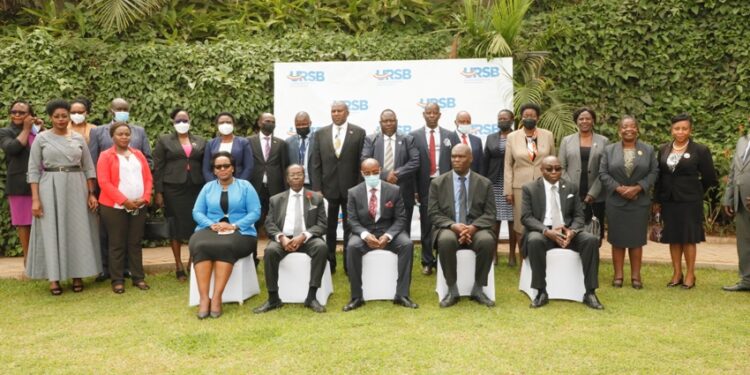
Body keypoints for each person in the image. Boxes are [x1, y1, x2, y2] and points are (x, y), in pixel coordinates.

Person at [25, 99, 101, 295]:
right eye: (56, 116)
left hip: (77, 186)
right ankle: (54, 279)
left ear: (69, 117)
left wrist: (91, 193)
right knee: (52, 231)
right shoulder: (42, 139)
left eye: (64, 116)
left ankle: (78, 275)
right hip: (49, 187)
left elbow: (88, 167)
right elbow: (33, 170)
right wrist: (35, 199)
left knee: (78, 230)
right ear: (50, 118)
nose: (60, 119)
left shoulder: (78, 138)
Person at [521, 156, 603, 309]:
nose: (554, 172)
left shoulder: (571, 187)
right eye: (549, 169)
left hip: (567, 231)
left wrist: (572, 231)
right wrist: (546, 231)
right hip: (543, 231)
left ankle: (590, 292)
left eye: (558, 169)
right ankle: (541, 291)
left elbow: (579, 216)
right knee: (534, 240)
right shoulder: (530, 188)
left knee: (590, 240)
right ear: (541, 170)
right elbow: (526, 217)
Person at [189, 152, 261, 319]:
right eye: (218, 166)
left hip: (241, 231)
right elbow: (197, 212)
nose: (222, 169)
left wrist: (234, 225)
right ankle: (203, 299)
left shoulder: (245, 186)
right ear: (214, 170)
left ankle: (216, 298)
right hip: (209, 229)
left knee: (225, 245)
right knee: (200, 246)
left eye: (226, 165)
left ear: (233, 168)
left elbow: (255, 212)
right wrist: (210, 224)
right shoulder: (207, 188)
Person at [88, 97, 152, 282]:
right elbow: (105, 182)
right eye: (120, 134)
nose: (124, 137)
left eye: (127, 134)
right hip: (113, 206)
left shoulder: (138, 154)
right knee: (116, 244)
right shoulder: (105, 156)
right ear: (113, 137)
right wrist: (125, 201)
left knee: (135, 242)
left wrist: (145, 197)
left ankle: (138, 277)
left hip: (139, 205)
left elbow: (148, 177)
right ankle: (117, 280)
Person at [653, 114, 718, 289]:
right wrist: (657, 200)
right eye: (677, 128)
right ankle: (676, 273)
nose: (680, 132)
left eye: (684, 128)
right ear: (671, 130)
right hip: (669, 201)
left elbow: (710, 178)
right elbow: (660, 177)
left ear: (690, 130)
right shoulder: (664, 149)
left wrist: (695, 191)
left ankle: (690, 274)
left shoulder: (700, 150)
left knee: (689, 238)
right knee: (673, 237)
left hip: (690, 201)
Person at [342, 158, 417, 311]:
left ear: (380, 170)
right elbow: (352, 221)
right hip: (364, 231)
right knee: (352, 246)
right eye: (368, 173)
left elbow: (401, 218)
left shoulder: (394, 190)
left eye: (375, 172)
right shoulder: (353, 192)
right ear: (362, 173)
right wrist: (364, 235)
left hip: (388, 231)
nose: (372, 176)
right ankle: (356, 297)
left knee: (407, 244)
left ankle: (402, 294)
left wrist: (388, 236)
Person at [253, 164, 328, 314]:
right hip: (284, 239)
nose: (296, 177)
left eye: (299, 174)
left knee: (321, 247)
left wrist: (304, 236)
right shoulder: (276, 199)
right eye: (292, 175)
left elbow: (322, 224)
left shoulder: (316, 198)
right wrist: (281, 238)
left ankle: (311, 297)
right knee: (270, 251)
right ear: (287, 179)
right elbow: (269, 223)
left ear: (304, 176)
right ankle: (273, 298)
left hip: (307, 239)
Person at [429, 144, 496, 308]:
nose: (456, 160)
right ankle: (452, 290)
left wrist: (472, 228)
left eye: (461, 156)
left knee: (487, 241)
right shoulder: (438, 183)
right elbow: (433, 213)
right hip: (449, 229)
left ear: (471, 158)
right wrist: (453, 226)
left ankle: (478, 289)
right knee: (445, 240)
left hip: (476, 229)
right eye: (453, 156)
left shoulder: (484, 183)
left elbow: (490, 214)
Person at [599, 115, 658, 289]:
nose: (628, 129)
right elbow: (603, 173)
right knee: (617, 239)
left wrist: (638, 188)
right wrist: (619, 188)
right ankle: (618, 275)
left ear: (637, 130)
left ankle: (635, 276)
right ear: (619, 131)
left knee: (636, 239)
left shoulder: (648, 149)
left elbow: (654, 172)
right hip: (616, 202)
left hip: (639, 202)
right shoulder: (609, 150)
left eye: (632, 126)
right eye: (625, 127)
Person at [309, 101, 366, 274]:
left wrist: (358, 188)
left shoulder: (358, 132)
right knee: (329, 228)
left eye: (340, 111)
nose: (336, 114)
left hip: (351, 190)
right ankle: (330, 263)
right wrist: (317, 188)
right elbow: (315, 163)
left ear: (347, 112)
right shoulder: (320, 133)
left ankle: (349, 264)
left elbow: (361, 163)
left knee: (351, 227)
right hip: (328, 190)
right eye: (333, 111)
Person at [153, 108, 206, 281]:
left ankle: (192, 261)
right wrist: (158, 192)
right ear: (172, 122)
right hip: (173, 189)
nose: (182, 123)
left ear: (190, 121)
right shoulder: (164, 140)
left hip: (196, 188)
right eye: (178, 120)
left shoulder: (201, 141)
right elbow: (158, 167)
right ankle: (178, 265)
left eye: (185, 120)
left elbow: (205, 165)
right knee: (175, 227)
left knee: (195, 225)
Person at [410, 103, 453, 275]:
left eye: (435, 113)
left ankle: (443, 257)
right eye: (429, 113)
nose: (432, 115)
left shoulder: (450, 135)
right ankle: (427, 261)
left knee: (447, 221)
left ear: (440, 115)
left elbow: (455, 161)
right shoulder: (414, 136)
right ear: (424, 115)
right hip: (424, 184)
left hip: (445, 184)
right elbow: (412, 166)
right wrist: (414, 189)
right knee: (427, 224)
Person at [504, 103, 556, 245]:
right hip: (520, 188)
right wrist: (508, 190)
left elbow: (553, 163)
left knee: (543, 220)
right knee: (521, 225)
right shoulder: (512, 137)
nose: (529, 118)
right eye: (526, 116)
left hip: (543, 185)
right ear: (521, 117)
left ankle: (540, 255)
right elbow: (508, 165)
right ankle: (523, 262)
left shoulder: (548, 135)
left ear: (537, 118)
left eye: (532, 116)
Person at [360, 109, 419, 232]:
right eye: (385, 121)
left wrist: (396, 174)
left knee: (403, 230)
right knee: (381, 227)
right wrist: (385, 175)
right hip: (377, 190)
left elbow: (415, 161)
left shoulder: (408, 139)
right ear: (380, 123)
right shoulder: (371, 140)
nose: (388, 123)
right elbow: (364, 161)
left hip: (403, 191)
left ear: (396, 122)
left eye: (391, 120)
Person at [0, 100, 42, 262]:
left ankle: (42, 260)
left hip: (41, 182)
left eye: (21, 112)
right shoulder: (5, 132)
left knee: (42, 220)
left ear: (30, 115)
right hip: (19, 184)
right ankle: (28, 260)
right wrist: (25, 129)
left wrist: (38, 129)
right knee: (23, 223)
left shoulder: (36, 132)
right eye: (14, 112)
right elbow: (12, 148)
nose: (17, 115)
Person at [559, 107, 609, 241]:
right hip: (571, 193)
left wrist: (592, 193)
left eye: (588, 118)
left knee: (594, 232)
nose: (584, 121)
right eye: (581, 118)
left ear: (593, 121)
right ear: (576, 121)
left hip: (596, 196)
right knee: (570, 230)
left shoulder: (604, 141)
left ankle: (591, 260)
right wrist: (571, 188)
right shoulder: (566, 141)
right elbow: (561, 167)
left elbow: (604, 170)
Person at [482, 109, 518, 266]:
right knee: (494, 221)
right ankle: (494, 254)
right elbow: (485, 160)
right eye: (499, 118)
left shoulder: (518, 136)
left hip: (513, 182)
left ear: (512, 120)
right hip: (495, 182)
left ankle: (512, 255)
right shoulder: (491, 138)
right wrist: (484, 182)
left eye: (505, 118)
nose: (502, 120)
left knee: (512, 221)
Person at [247, 112, 289, 241]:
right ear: (259, 123)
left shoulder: (281, 143)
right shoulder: (248, 141)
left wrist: (286, 189)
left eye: (272, 121)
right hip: (255, 187)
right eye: (267, 121)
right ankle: (252, 256)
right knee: (254, 220)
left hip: (275, 189)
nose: (270, 124)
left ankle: (273, 251)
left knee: (276, 221)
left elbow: (284, 167)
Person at [723, 118, 750, 292]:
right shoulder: (742, 140)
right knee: (744, 243)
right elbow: (734, 171)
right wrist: (728, 198)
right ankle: (746, 280)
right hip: (741, 201)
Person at [202, 112, 254, 183]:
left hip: (238, 182)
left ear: (233, 125)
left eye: (228, 122)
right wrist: (214, 184)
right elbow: (206, 169)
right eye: (221, 122)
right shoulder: (211, 144)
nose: (225, 124)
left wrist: (240, 184)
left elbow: (249, 167)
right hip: (216, 184)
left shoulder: (243, 142)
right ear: (217, 125)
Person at [285, 111, 316, 189]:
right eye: (298, 125)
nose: (301, 127)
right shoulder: (288, 142)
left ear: (310, 123)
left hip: (313, 184)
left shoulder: (318, 140)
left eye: (304, 124)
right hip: (294, 185)